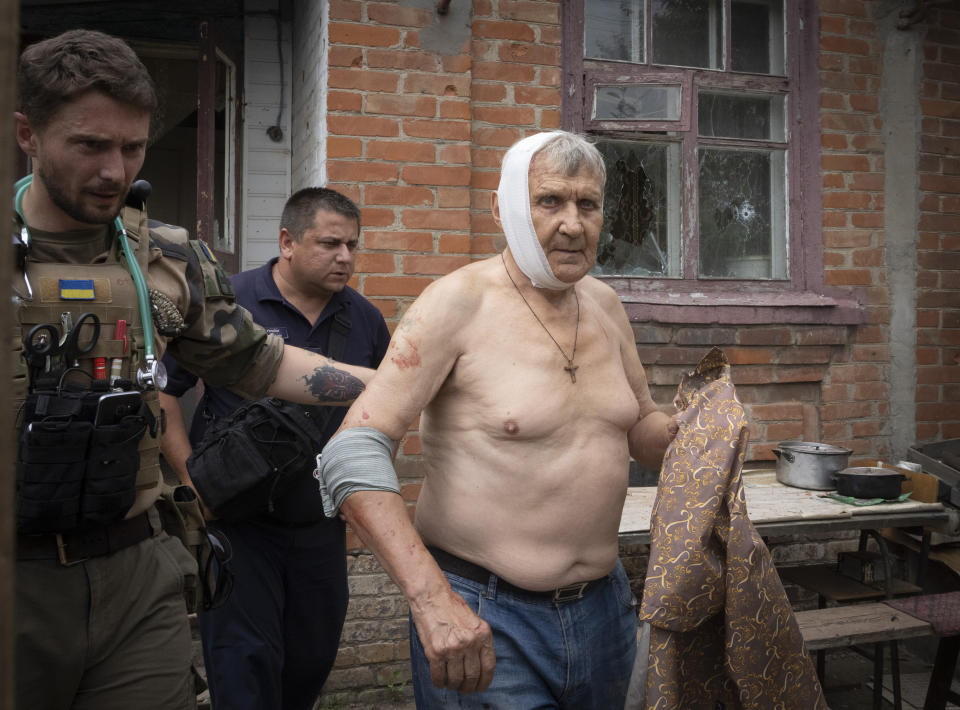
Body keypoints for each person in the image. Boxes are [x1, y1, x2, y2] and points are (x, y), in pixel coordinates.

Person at [12, 30, 374, 710]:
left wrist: (407, 383)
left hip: (134, 575)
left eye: (133, 147)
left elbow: (258, 363)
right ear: (28, 132)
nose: (116, 171)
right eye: (91, 145)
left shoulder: (165, 260)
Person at [316, 130, 678, 709]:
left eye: (587, 204)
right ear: (504, 207)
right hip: (484, 618)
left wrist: (692, 431)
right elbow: (350, 451)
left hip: (605, 612)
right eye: (550, 201)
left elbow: (641, 430)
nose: (573, 224)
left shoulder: (606, 306)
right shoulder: (456, 303)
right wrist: (431, 601)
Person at [158, 187, 391, 710]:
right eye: (330, 243)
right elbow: (162, 393)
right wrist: (191, 483)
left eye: (352, 245)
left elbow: (378, 412)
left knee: (309, 664)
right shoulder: (226, 304)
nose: (345, 258)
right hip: (239, 527)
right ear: (287, 241)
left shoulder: (366, 320)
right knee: (243, 672)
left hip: (320, 529)